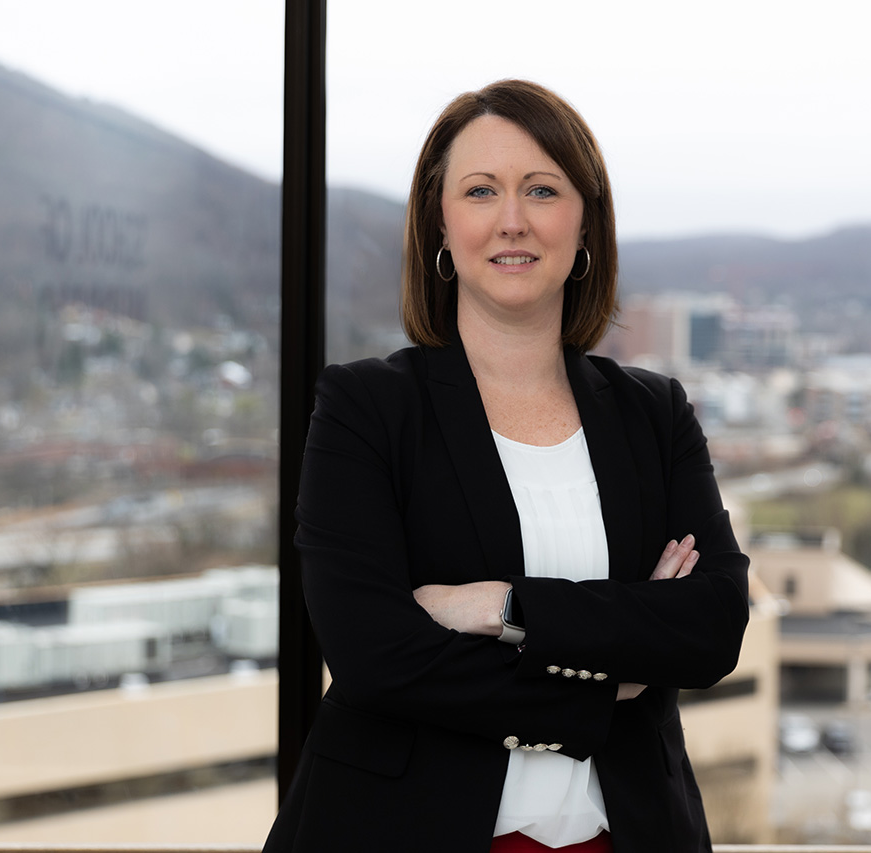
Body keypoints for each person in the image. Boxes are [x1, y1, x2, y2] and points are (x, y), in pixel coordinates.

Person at [261, 79, 750, 853]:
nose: (512, 219)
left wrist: (503, 607)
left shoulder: (653, 413)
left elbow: (713, 625)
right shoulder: (366, 408)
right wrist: (609, 676)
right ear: (441, 226)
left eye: (543, 189)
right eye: (481, 190)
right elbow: (373, 654)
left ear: (585, 221)